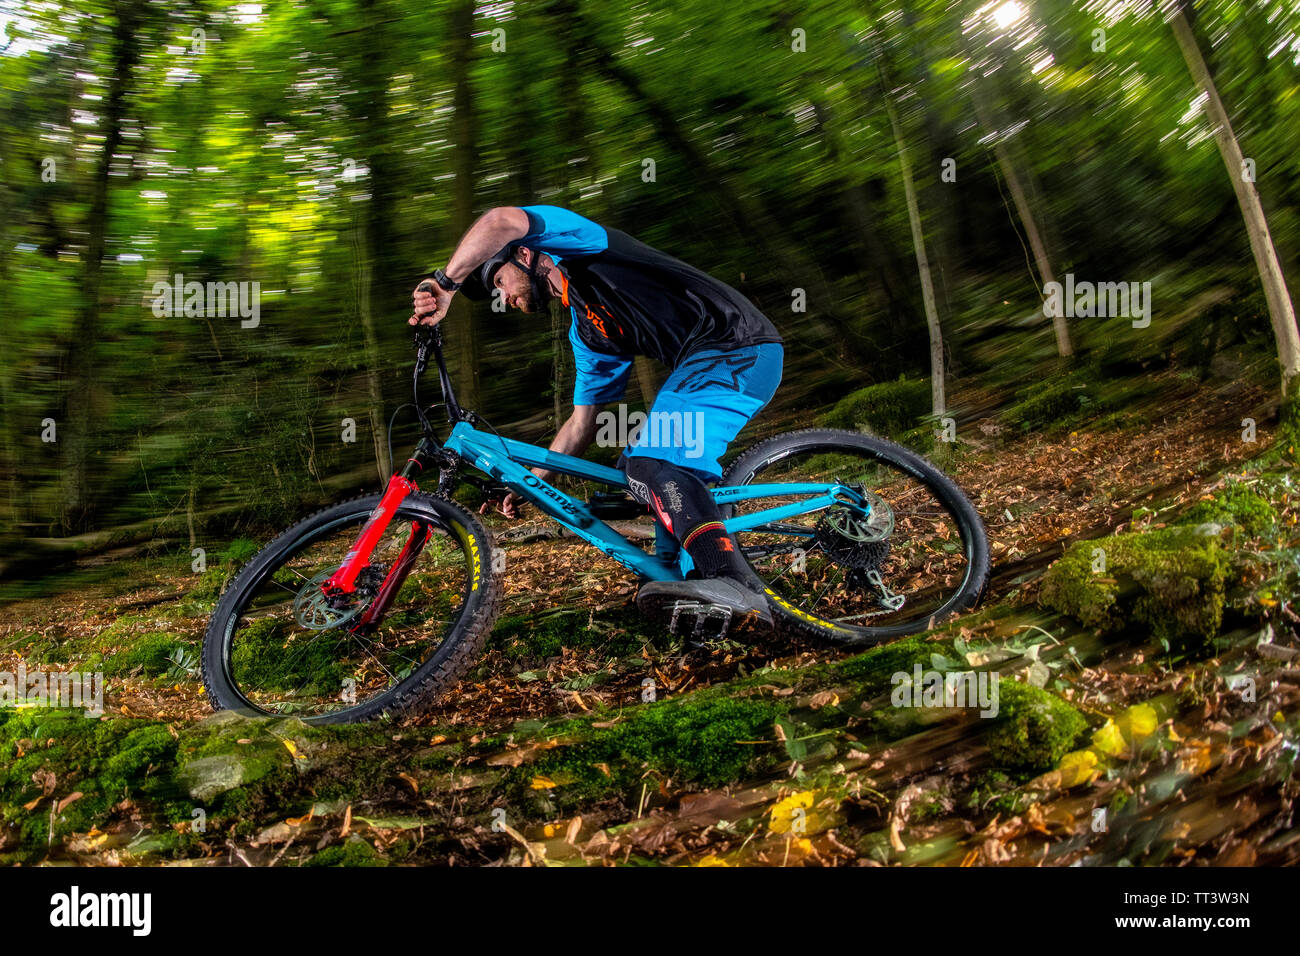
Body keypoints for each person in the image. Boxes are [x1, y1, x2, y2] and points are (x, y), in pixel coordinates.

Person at [410, 205, 783, 627]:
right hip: (706, 363)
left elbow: (501, 221)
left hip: (735, 347)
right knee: (636, 469)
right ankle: (687, 585)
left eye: (500, 280)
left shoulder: (587, 250)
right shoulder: (587, 330)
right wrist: (533, 479)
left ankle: (732, 582)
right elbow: (583, 421)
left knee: (654, 462)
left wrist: (445, 283)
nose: (504, 297)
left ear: (527, 256)